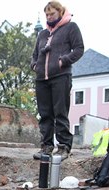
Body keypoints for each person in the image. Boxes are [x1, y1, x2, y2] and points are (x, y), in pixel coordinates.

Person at [31, 1, 84, 161]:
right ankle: (46, 147)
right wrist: (35, 66)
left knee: (60, 112)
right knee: (45, 114)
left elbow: (79, 49)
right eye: (47, 14)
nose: (49, 17)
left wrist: (63, 61)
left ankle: (63, 147)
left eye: (52, 14)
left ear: (60, 12)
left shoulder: (70, 27)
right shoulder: (42, 34)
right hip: (41, 78)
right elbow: (34, 54)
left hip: (61, 76)